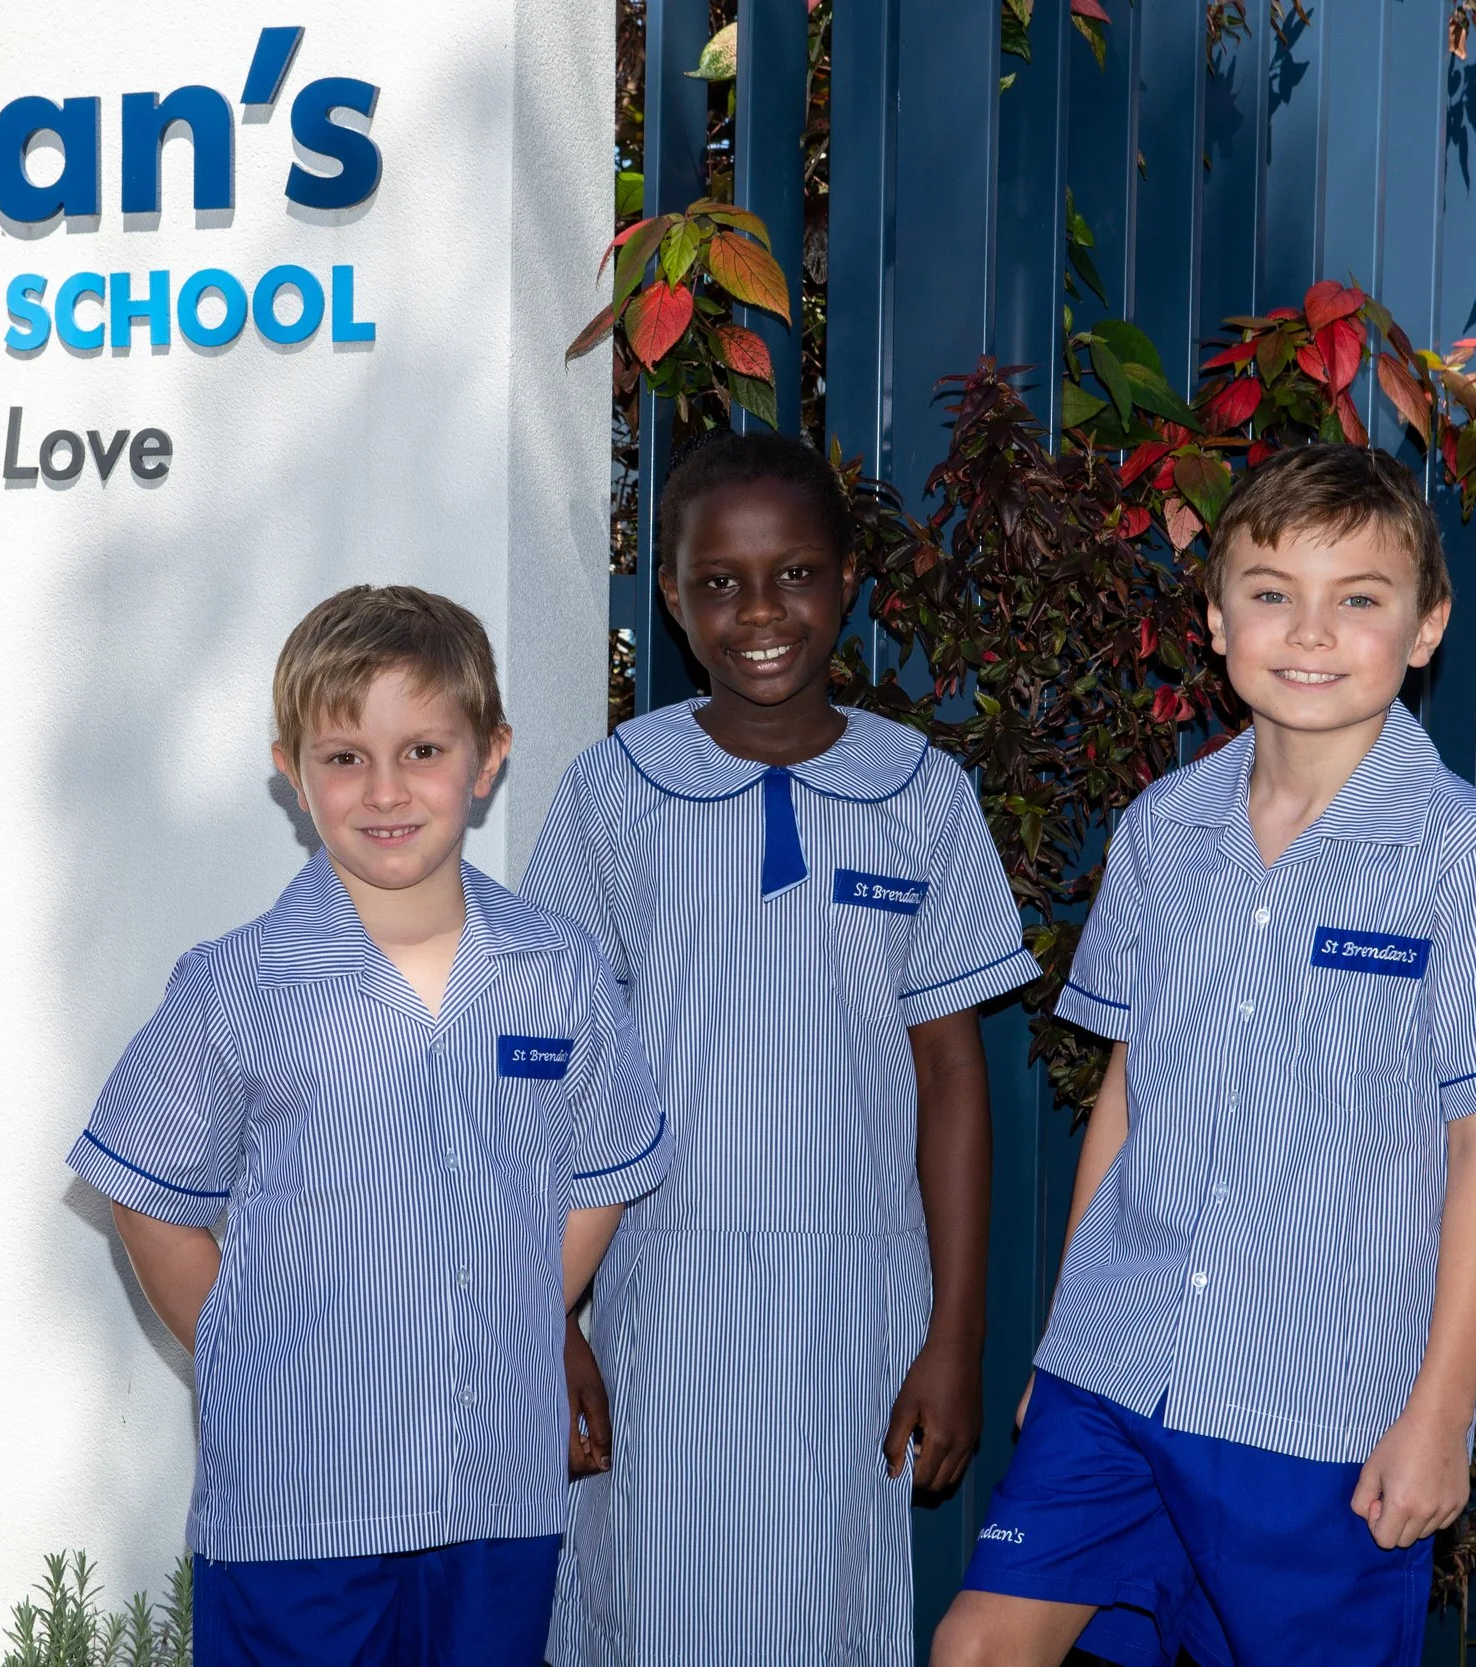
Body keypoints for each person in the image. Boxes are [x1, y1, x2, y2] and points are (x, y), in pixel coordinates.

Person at [931, 445, 1476, 1667]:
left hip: (1317, 1405)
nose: (1310, 630)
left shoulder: (1460, 857)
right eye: (1272, 591)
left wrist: (1441, 1414)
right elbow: (1127, 1091)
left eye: (1360, 597)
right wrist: (1069, 1341)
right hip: (1115, 1369)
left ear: (1425, 626)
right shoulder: (1162, 831)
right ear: (1218, 618)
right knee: (975, 1644)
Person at [69, 585, 669, 1667]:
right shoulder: (234, 983)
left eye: (423, 748)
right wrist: (254, 1348)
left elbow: (602, 1169)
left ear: (489, 756)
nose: (385, 790)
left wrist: (523, 1308)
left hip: (498, 1500)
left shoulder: (559, 972)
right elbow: (147, 1191)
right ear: (291, 771)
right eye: (344, 756)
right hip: (298, 1508)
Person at [524, 430, 1038, 1665]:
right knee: (644, 1606)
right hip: (655, 1295)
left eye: (795, 573)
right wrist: (547, 1322)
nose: (761, 611)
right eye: (720, 581)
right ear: (672, 597)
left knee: (826, 1607)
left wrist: (955, 1335)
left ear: (848, 575)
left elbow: (951, 1074)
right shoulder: (612, 790)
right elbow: (539, 1073)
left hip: (853, 1307)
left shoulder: (921, 792)